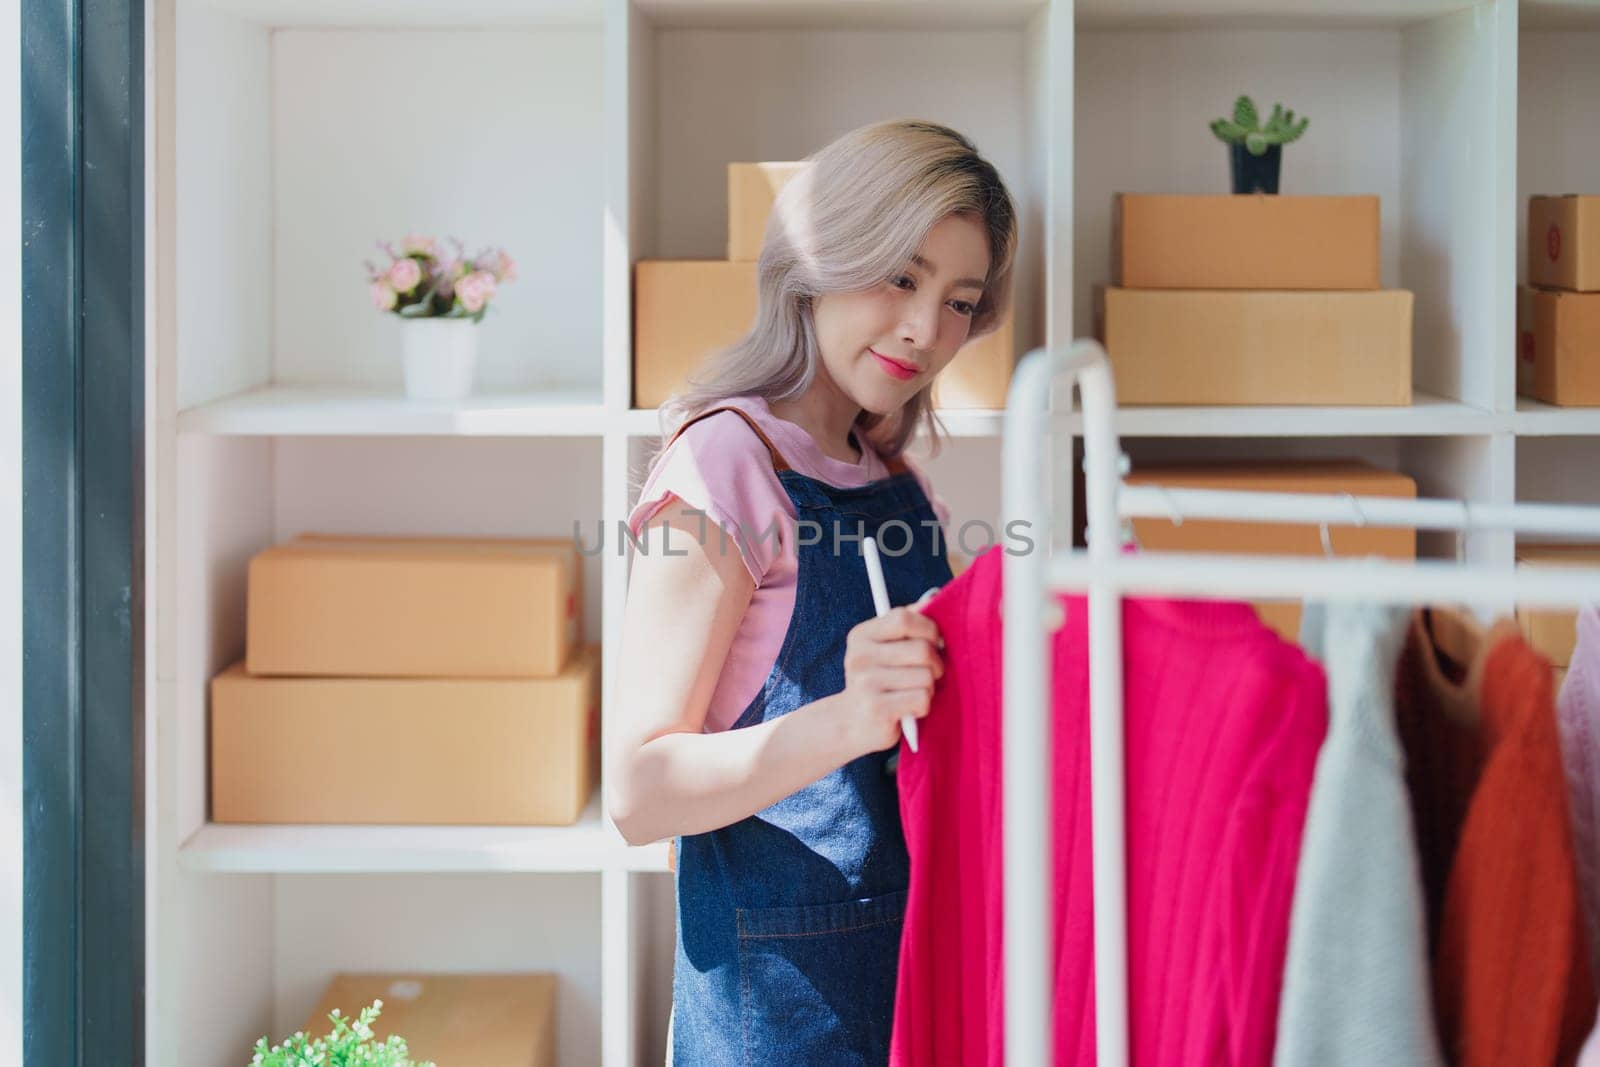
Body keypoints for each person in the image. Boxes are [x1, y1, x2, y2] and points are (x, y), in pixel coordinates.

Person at [607, 118, 1017, 1064]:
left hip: (911, 983)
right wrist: (850, 716)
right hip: (780, 1015)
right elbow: (637, 791)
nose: (927, 329)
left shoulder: (895, 477)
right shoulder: (723, 463)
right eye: (902, 276)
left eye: (960, 300)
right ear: (820, 260)